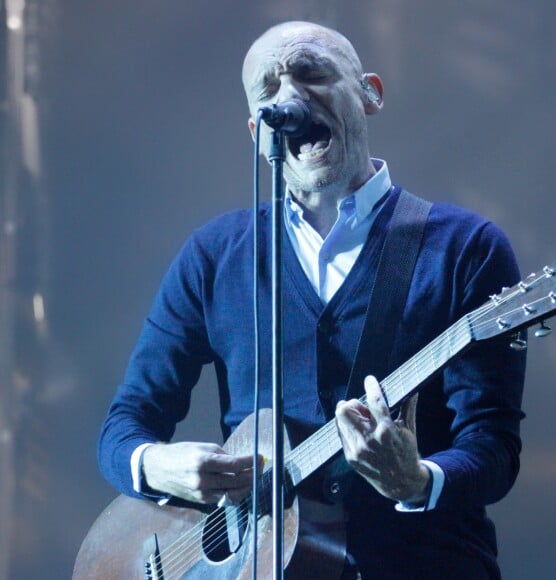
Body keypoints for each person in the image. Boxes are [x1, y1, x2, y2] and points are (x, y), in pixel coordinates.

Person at [98, 21, 526, 578]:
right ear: (257, 131)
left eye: (311, 73)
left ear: (370, 92)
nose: (290, 100)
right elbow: (124, 426)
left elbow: (493, 448)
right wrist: (158, 466)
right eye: (269, 91)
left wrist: (418, 480)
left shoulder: (465, 247)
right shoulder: (215, 254)